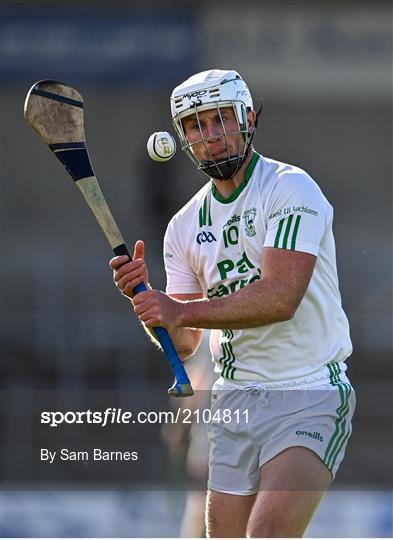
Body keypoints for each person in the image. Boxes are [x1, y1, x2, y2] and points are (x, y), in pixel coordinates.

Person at [110, 69, 355, 538]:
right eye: (196, 126)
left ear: (249, 118)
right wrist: (147, 303)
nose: (211, 137)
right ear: (183, 139)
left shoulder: (290, 188)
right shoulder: (183, 226)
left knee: (266, 533)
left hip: (307, 392)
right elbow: (182, 344)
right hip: (234, 402)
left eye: (221, 120)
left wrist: (179, 309)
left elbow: (281, 297)